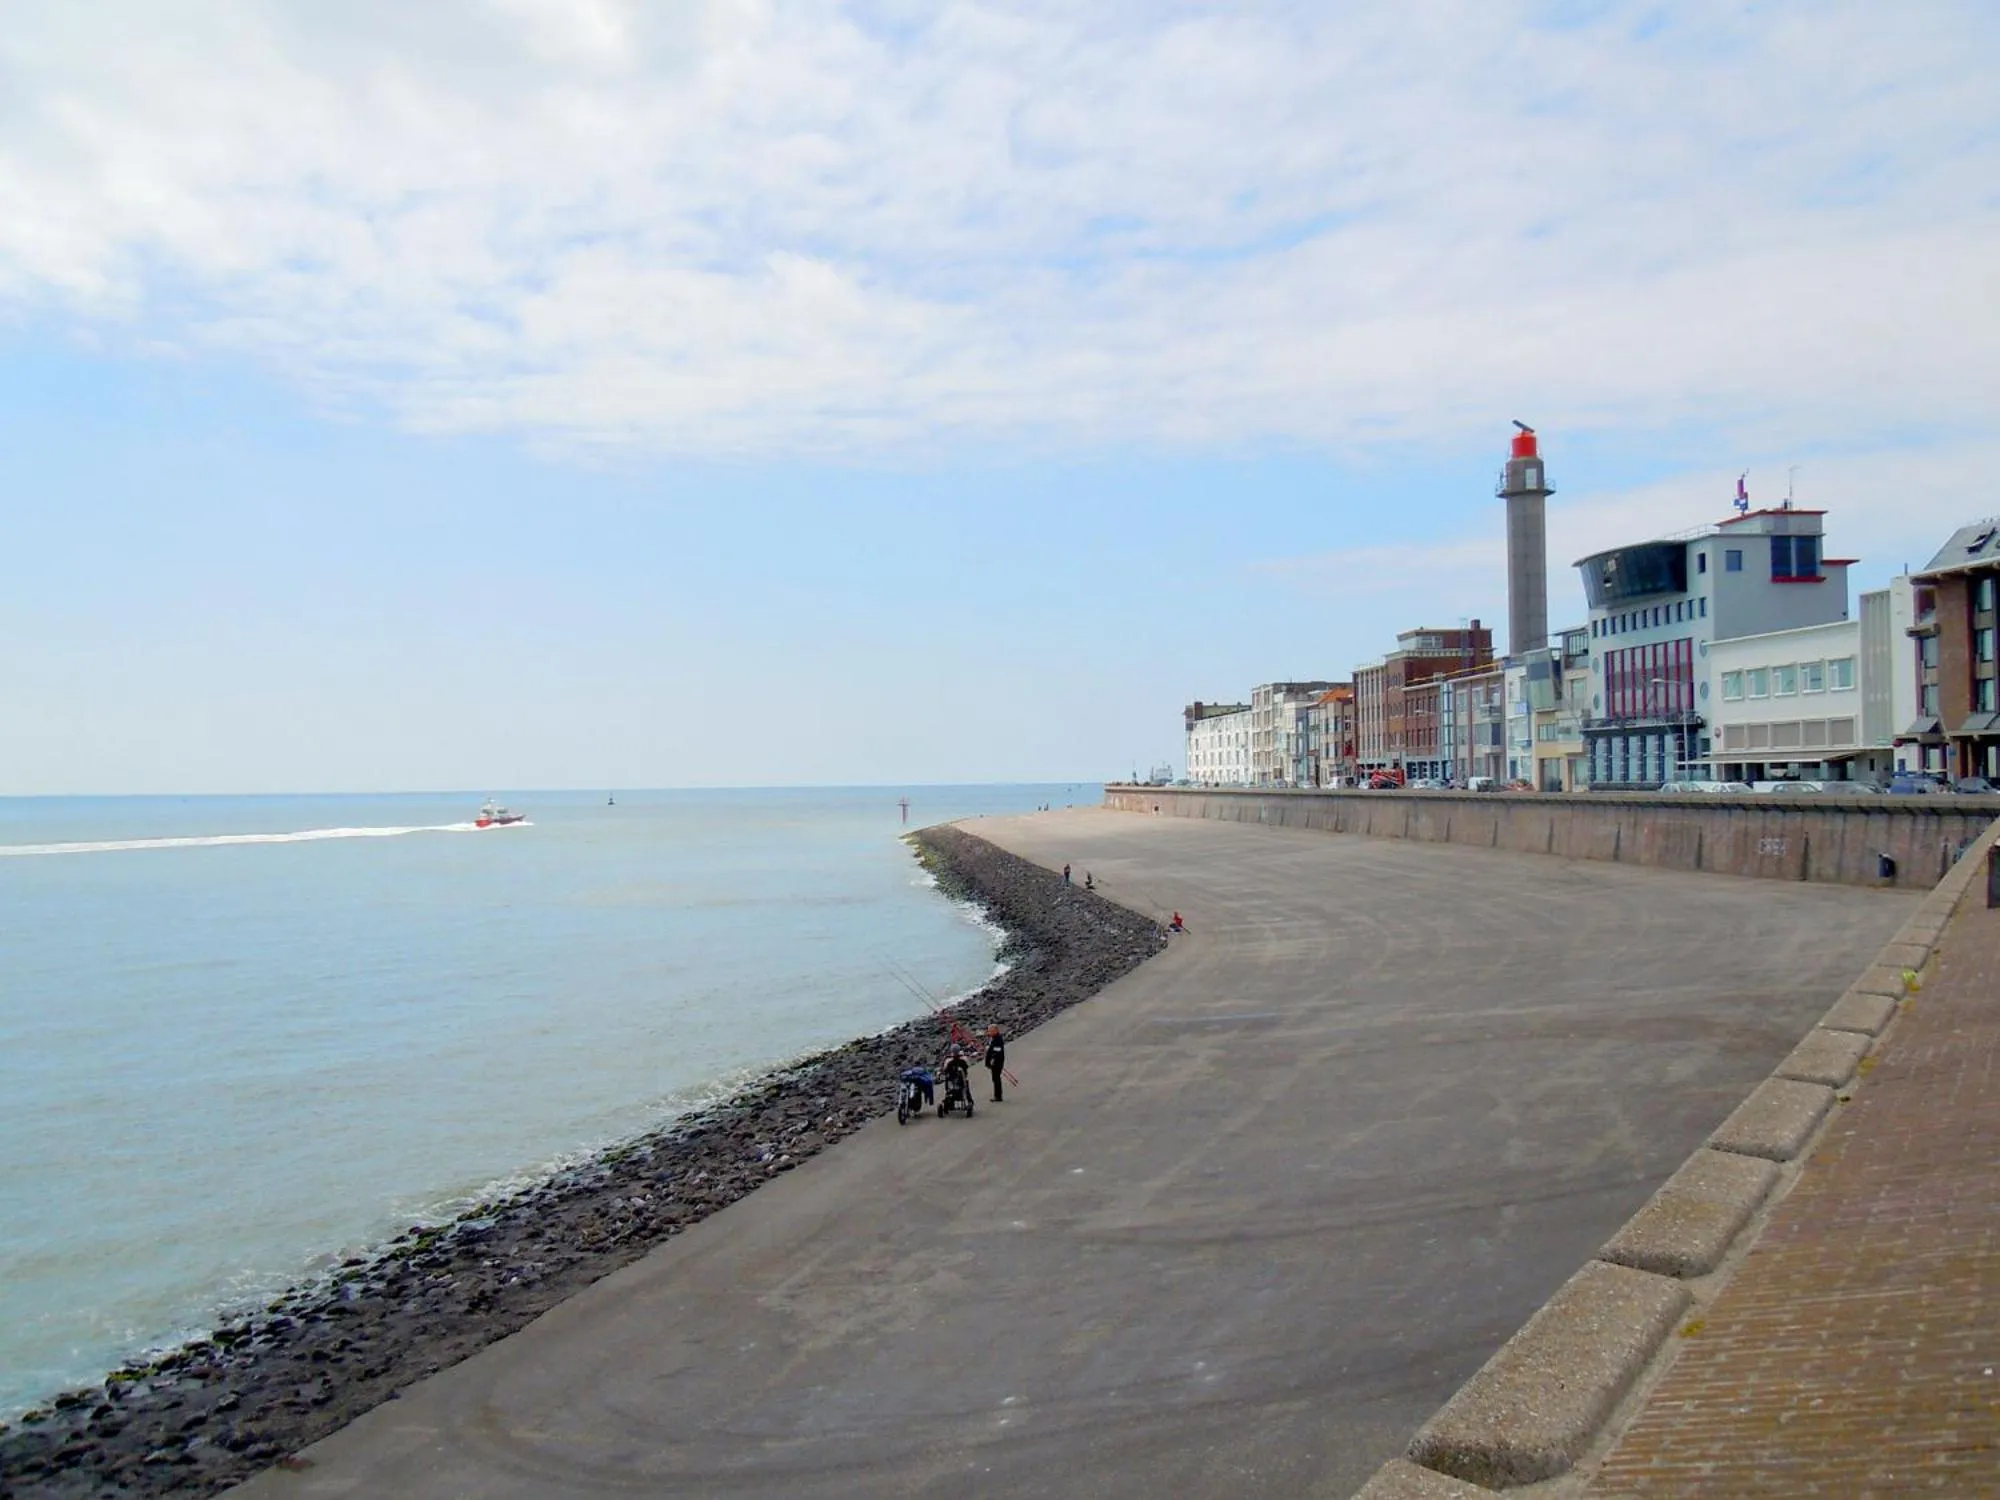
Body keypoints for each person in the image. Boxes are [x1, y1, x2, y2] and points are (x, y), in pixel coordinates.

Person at [983, 1023, 1007, 1102]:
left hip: (997, 1061)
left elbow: (998, 1051)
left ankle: (998, 1096)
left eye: (991, 1031)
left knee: (996, 1078)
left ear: (995, 1031)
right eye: (989, 1031)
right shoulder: (994, 1038)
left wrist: (990, 1051)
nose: (989, 1033)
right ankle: (997, 1095)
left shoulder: (998, 1039)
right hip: (995, 1061)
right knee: (995, 1078)